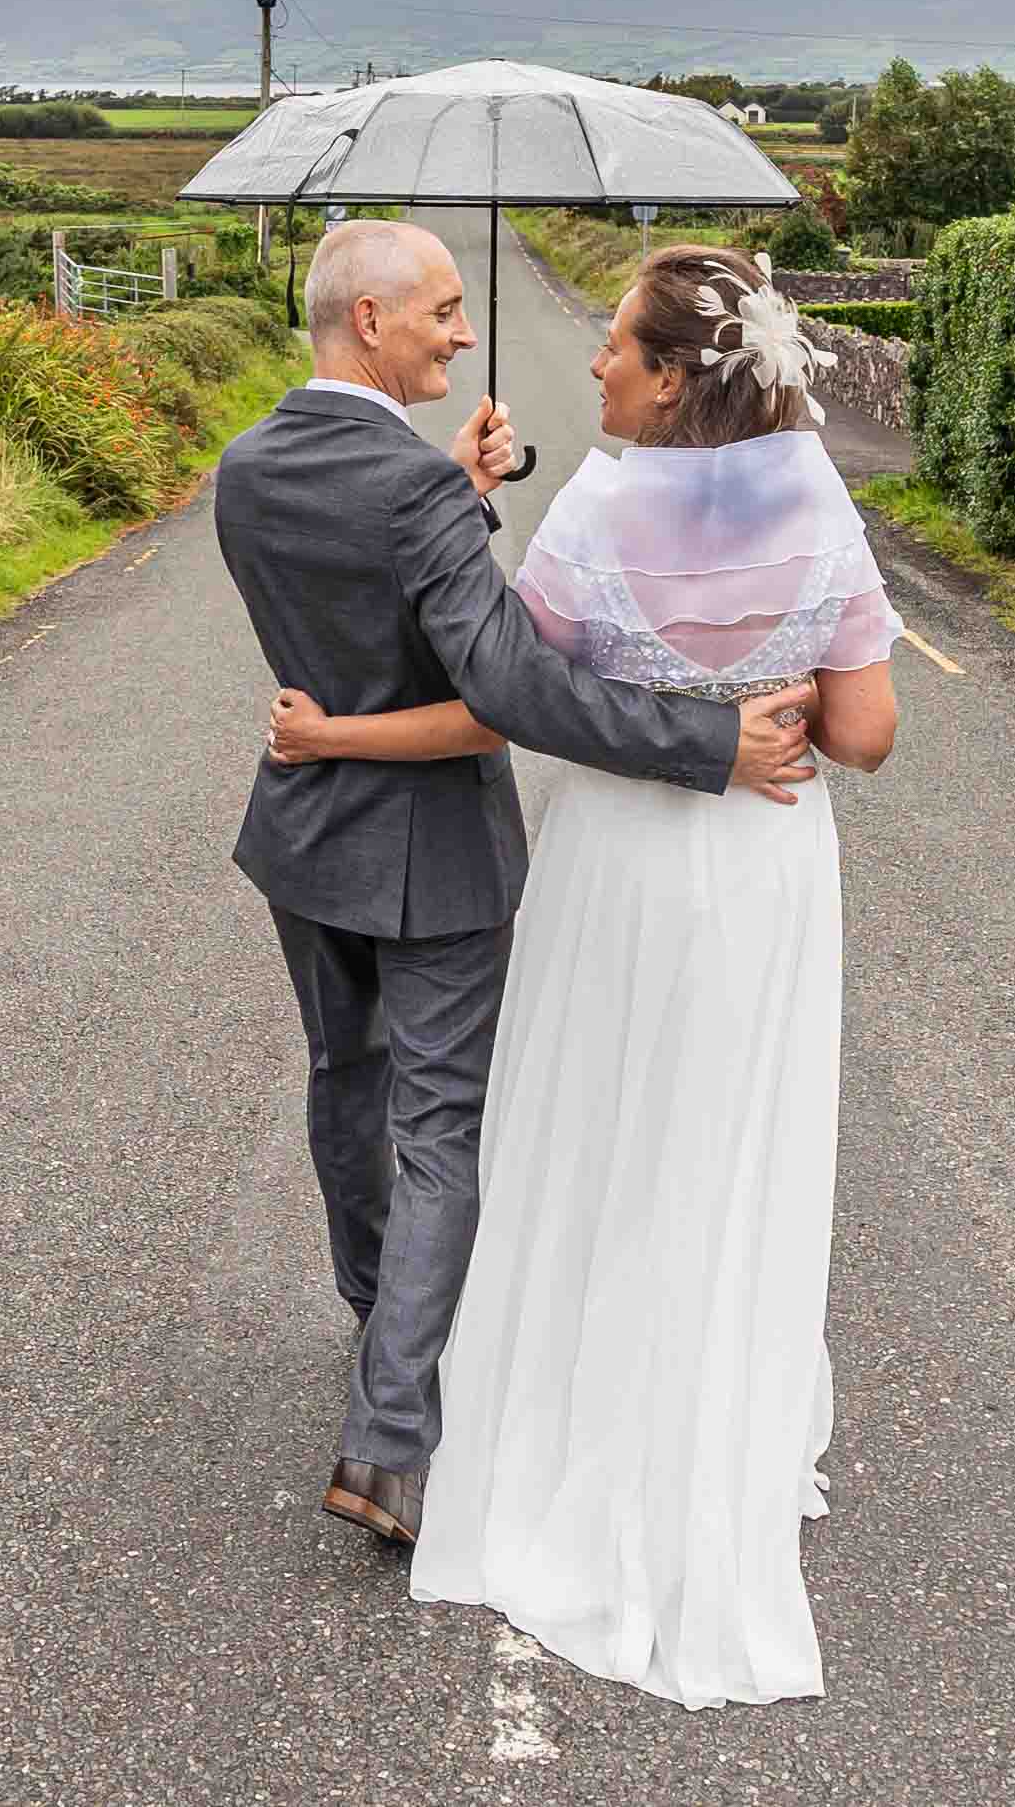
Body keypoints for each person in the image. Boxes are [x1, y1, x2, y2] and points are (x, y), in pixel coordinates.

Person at [263, 243, 900, 1709]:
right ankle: (705, 1407)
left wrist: (333, 737)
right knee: (725, 1135)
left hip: (616, 862)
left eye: (615, 342)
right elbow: (864, 735)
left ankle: (544, 1398)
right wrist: (784, 693)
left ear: (671, 377)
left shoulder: (602, 510)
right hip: (764, 867)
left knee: (587, 1130)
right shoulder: (819, 503)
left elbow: (492, 703)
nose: (595, 361)